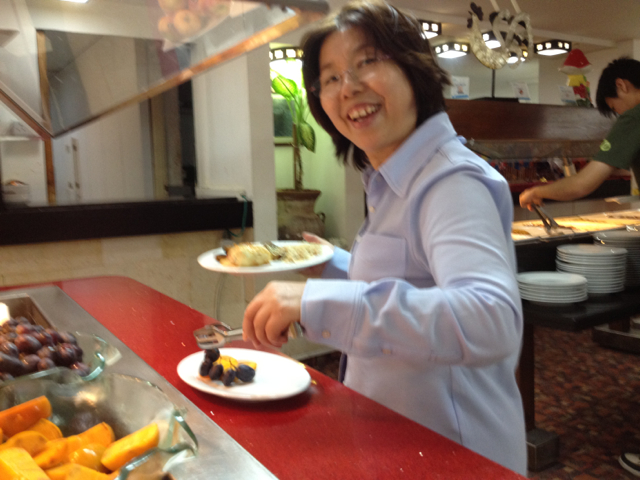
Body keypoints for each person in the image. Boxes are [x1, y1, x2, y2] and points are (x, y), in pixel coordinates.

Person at [242, 0, 527, 474]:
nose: (348, 87)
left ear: (414, 71)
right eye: (331, 77)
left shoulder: (449, 181)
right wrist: (333, 264)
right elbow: (413, 279)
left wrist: (317, 303)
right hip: (401, 442)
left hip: (455, 455)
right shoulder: (390, 180)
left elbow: (489, 319)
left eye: (367, 61)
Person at [520, 57, 640, 210]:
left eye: (614, 108)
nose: (619, 114)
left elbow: (582, 185)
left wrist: (537, 192)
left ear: (621, 85)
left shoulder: (634, 117)